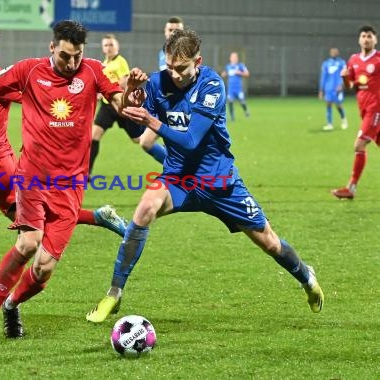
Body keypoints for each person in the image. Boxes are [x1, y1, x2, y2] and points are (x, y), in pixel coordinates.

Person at [0, 20, 147, 342]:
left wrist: (133, 91)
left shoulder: (92, 71)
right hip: (31, 177)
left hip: (69, 186)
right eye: (66, 56)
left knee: (43, 270)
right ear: (52, 48)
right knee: (27, 243)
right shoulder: (29, 71)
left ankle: (11, 304)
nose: (72, 63)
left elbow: (123, 106)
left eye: (77, 56)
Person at [86, 28, 324, 324]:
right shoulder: (159, 80)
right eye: (170, 67)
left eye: (182, 68)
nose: (174, 74)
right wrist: (130, 95)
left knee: (269, 242)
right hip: (178, 177)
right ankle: (114, 292)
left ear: (197, 61)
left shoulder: (212, 85)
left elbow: (190, 140)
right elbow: (127, 113)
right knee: (145, 208)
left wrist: (152, 120)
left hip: (219, 182)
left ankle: (306, 277)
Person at [90, 34, 160, 174]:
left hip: (122, 103)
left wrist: (105, 90)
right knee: (94, 136)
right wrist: (101, 93)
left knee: (139, 140)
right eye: (106, 45)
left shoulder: (120, 62)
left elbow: (123, 83)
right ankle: (87, 173)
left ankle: (160, 132)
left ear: (117, 47)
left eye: (111, 45)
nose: (109, 48)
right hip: (107, 106)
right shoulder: (105, 63)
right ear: (103, 48)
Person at [331, 25, 380, 200]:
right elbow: (350, 85)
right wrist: (345, 77)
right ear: (359, 39)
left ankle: (351, 188)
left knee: (359, 145)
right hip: (364, 109)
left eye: (369, 36)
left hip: (376, 109)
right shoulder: (353, 60)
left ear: (375, 39)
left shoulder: (379, 59)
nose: (366, 39)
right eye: (363, 36)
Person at [137, 16, 187, 168]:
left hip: (182, 108)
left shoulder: (187, 53)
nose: (173, 33)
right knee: (145, 142)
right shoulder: (164, 52)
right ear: (165, 32)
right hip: (165, 106)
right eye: (170, 30)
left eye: (176, 30)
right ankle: (178, 169)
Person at [319, 48, 348, 131]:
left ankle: (344, 120)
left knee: (338, 105)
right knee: (328, 104)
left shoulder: (341, 63)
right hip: (328, 88)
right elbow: (323, 77)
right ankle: (329, 124)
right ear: (330, 53)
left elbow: (345, 75)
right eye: (332, 52)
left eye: (335, 52)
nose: (333, 53)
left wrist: (341, 84)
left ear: (338, 53)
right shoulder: (326, 63)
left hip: (338, 88)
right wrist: (321, 90)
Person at [221, 52, 250, 121]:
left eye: (235, 57)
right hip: (231, 88)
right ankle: (232, 117)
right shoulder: (228, 66)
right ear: (230, 58)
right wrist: (223, 74)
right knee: (230, 101)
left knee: (242, 101)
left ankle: (246, 111)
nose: (234, 59)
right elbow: (224, 73)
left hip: (238, 88)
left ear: (237, 58)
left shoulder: (241, 66)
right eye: (232, 57)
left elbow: (247, 74)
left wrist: (240, 73)